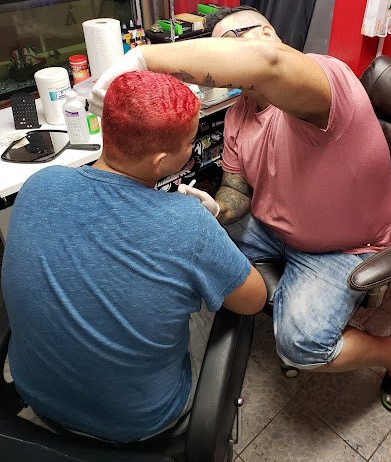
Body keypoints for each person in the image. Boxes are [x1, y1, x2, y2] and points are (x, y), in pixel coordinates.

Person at [88, 6, 391, 415]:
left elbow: (268, 63)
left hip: (344, 246)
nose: (233, 53)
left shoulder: (326, 85)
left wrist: (142, 58)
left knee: (302, 345)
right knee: (188, 231)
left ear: (270, 35)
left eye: (237, 39)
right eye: (222, 45)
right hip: (275, 223)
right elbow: (236, 188)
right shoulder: (239, 114)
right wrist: (216, 209)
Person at [1, 70, 267, 443]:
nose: (192, 149)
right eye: (190, 142)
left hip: (38, 396)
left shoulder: (40, 184)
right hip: (139, 422)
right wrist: (210, 238)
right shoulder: (187, 224)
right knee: (219, 299)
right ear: (160, 163)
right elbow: (254, 300)